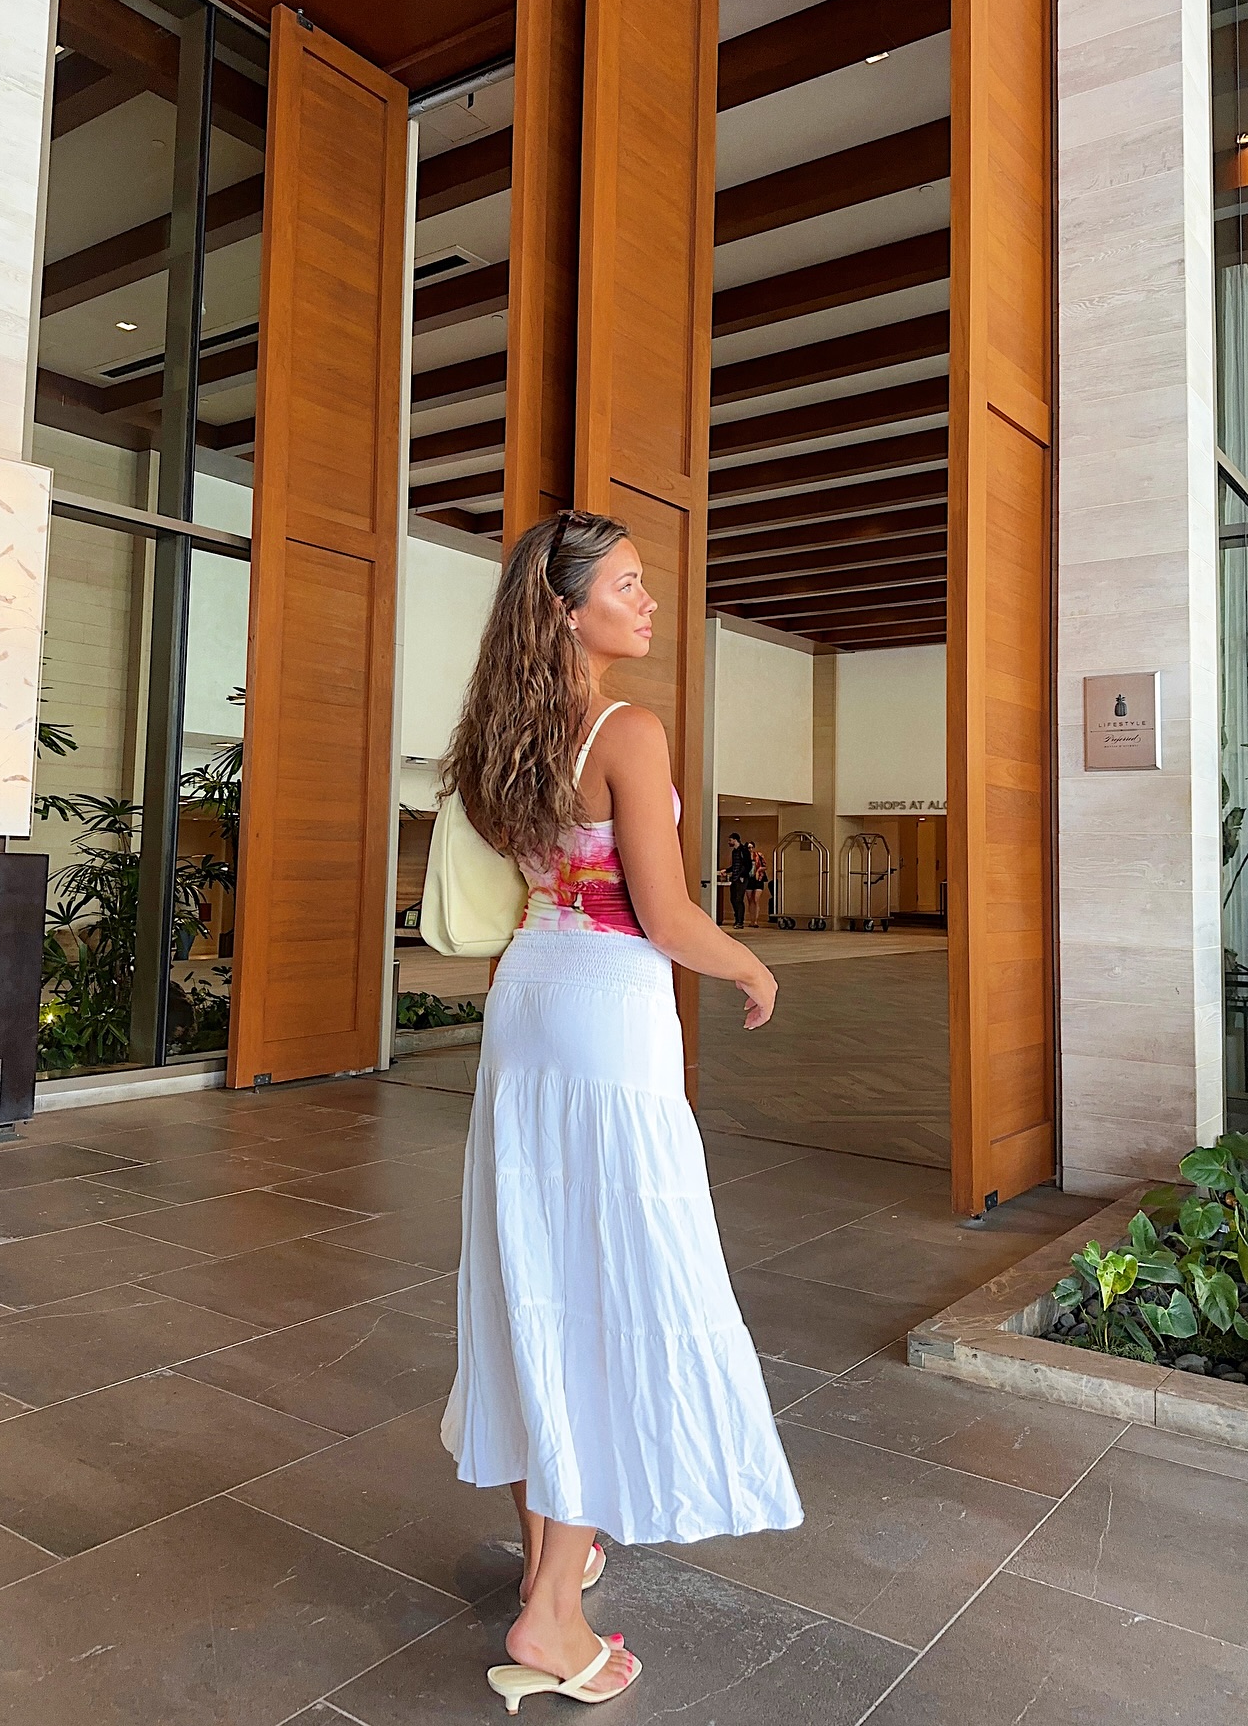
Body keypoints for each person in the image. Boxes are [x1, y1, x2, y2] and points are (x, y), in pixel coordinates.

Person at [439, 511, 802, 1712]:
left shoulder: (499, 735)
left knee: (536, 1267)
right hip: (607, 1014)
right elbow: (667, 913)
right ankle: (550, 1613)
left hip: (528, 1002)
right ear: (568, 608)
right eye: (630, 586)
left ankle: (553, 1550)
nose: (649, 603)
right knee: (612, 1277)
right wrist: (750, 965)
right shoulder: (627, 731)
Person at [726, 829, 753, 929]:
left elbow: (748, 865)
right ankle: (737, 918)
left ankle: (740, 921)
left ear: (735, 840)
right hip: (735, 877)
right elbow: (735, 865)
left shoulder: (744, 850)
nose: (729, 842)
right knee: (733, 899)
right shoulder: (734, 852)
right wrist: (727, 870)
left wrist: (743, 875)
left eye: (730, 840)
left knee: (738, 899)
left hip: (741, 878)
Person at [749, 845, 768, 927]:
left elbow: (765, 866)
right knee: (750, 900)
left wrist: (759, 870)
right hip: (749, 879)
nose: (750, 849)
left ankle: (756, 921)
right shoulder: (745, 856)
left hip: (758, 879)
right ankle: (751, 920)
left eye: (751, 847)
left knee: (756, 899)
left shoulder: (759, 855)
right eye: (748, 848)